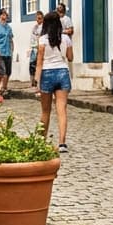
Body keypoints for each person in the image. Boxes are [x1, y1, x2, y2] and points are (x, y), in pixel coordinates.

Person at [35, 11, 72, 151]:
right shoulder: (66, 39)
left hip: (47, 73)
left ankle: (40, 141)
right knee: (61, 110)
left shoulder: (42, 40)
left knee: (45, 111)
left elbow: (39, 63)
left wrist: (37, 82)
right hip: (62, 72)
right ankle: (62, 143)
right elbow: (70, 57)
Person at [28, 10, 44, 89]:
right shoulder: (35, 27)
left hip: (39, 47)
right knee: (32, 65)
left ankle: (38, 81)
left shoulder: (44, 27)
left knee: (38, 65)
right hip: (33, 48)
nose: (38, 20)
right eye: (37, 18)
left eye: (40, 18)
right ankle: (32, 81)